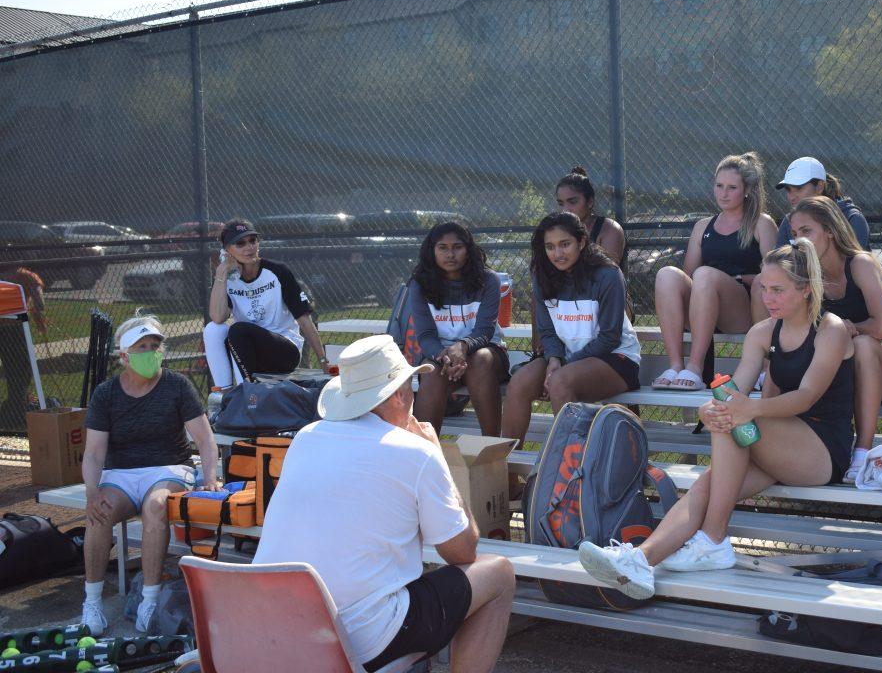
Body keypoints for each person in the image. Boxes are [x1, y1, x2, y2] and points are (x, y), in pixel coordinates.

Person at [576, 239, 854, 598]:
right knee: (708, 481)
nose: (768, 298)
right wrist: (711, 406)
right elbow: (735, 388)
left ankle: (714, 538)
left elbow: (806, 397)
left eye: (778, 290)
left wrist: (743, 408)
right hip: (774, 444)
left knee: (732, 417)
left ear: (804, 290)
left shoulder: (830, 329)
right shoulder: (762, 332)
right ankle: (640, 561)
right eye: (764, 289)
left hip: (822, 451)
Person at [254, 335, 515, 672]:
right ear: (399, 395)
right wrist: (438, 457)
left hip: (272, 628)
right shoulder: (417, 452)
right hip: (360, 640)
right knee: (499, 574)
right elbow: (462, 552)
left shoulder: (306, 438)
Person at [80, 314, 220, 634]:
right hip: (120, 474)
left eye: (155, 345)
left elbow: (205, 439)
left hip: (169, 468)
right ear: (124, 355)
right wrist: (92, 492)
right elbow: (93, 452)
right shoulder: (105, 393)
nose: (150, 351)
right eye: (142, 346)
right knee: (98, 512)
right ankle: (91, 603)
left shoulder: (177, 385)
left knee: (156, 506)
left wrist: (210, 476)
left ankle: (150, 600)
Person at [789, 197, 882, 481]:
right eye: (794, 235)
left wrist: (846, 327)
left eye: (807, 232)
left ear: (829, 230)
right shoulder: (808, 277)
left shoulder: (860, 264)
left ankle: (863, 451)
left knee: (864, 345)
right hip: (853, 376)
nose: (798, 241)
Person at [503, 212, 641, 443]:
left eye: (565, 244)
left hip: (616, 359)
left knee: (561, 381)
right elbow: (547, 331)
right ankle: (504, 471)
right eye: (550, 247)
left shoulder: (607, 274)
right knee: (519, 383)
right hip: (566, 359)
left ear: (582, 241)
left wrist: (562, 365)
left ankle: (570, 470)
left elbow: (609, 337)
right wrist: (554, 358)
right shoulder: (542, 275)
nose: (557, 254)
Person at [653, 152, 777, 390]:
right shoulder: (702, 226)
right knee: (667, 274)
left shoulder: (761, 223)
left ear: (747, 190)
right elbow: (688, 276)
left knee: (706, 274)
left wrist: (739, 278)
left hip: (742, 310)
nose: (723, 193)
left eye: (732, 187)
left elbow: (776, 274)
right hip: (702, 303)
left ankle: (695, 368)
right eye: (719, 186)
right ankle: (676, 365)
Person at [203, 218, 332, 390]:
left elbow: (304, 319)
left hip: (285, 352)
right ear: (227, 250)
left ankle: (248, 393)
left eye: (252, 240)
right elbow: (217, 317)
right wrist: (221, 272)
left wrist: (323, 359)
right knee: (213, 329)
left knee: (238, 329)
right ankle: (224, 391)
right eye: (240, 243)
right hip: (248, 350)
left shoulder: (277, 271)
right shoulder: (228, 279)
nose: (249, 247)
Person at [408, 222, 508, 435]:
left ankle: (491, 450)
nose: (450, 254)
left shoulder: (488, 280)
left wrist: (462, 347)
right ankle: (424, 453)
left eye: (457, 247)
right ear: (432, 250)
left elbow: (485, 331)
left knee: (479, 360)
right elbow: (425, 335)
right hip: (441, 357)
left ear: (468, 249)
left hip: (486, 353)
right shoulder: (419, 284)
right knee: (432, 371)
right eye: (442, 247)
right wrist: (445, 357)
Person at [773, 156, 870, 251]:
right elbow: (779, 263)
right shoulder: (788, 221)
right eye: (788, 190)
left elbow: (855, 263)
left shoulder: (852, 218)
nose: (792, 197)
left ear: (819, 187)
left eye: (799, 188)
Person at [0, 267, 47, 428]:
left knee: (11, 366)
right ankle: (19, 403)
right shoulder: (26, 276)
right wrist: (38, 310)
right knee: (23, 367)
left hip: (3, 327)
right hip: (16, 327)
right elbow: (39, 302)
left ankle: (16, 401)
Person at [555, 166, 627, 265]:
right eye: (561, 203)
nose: (565, 209)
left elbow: (607, 274)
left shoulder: (609, 229)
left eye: (572, 202)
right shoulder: (555, 231)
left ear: (590, 202)